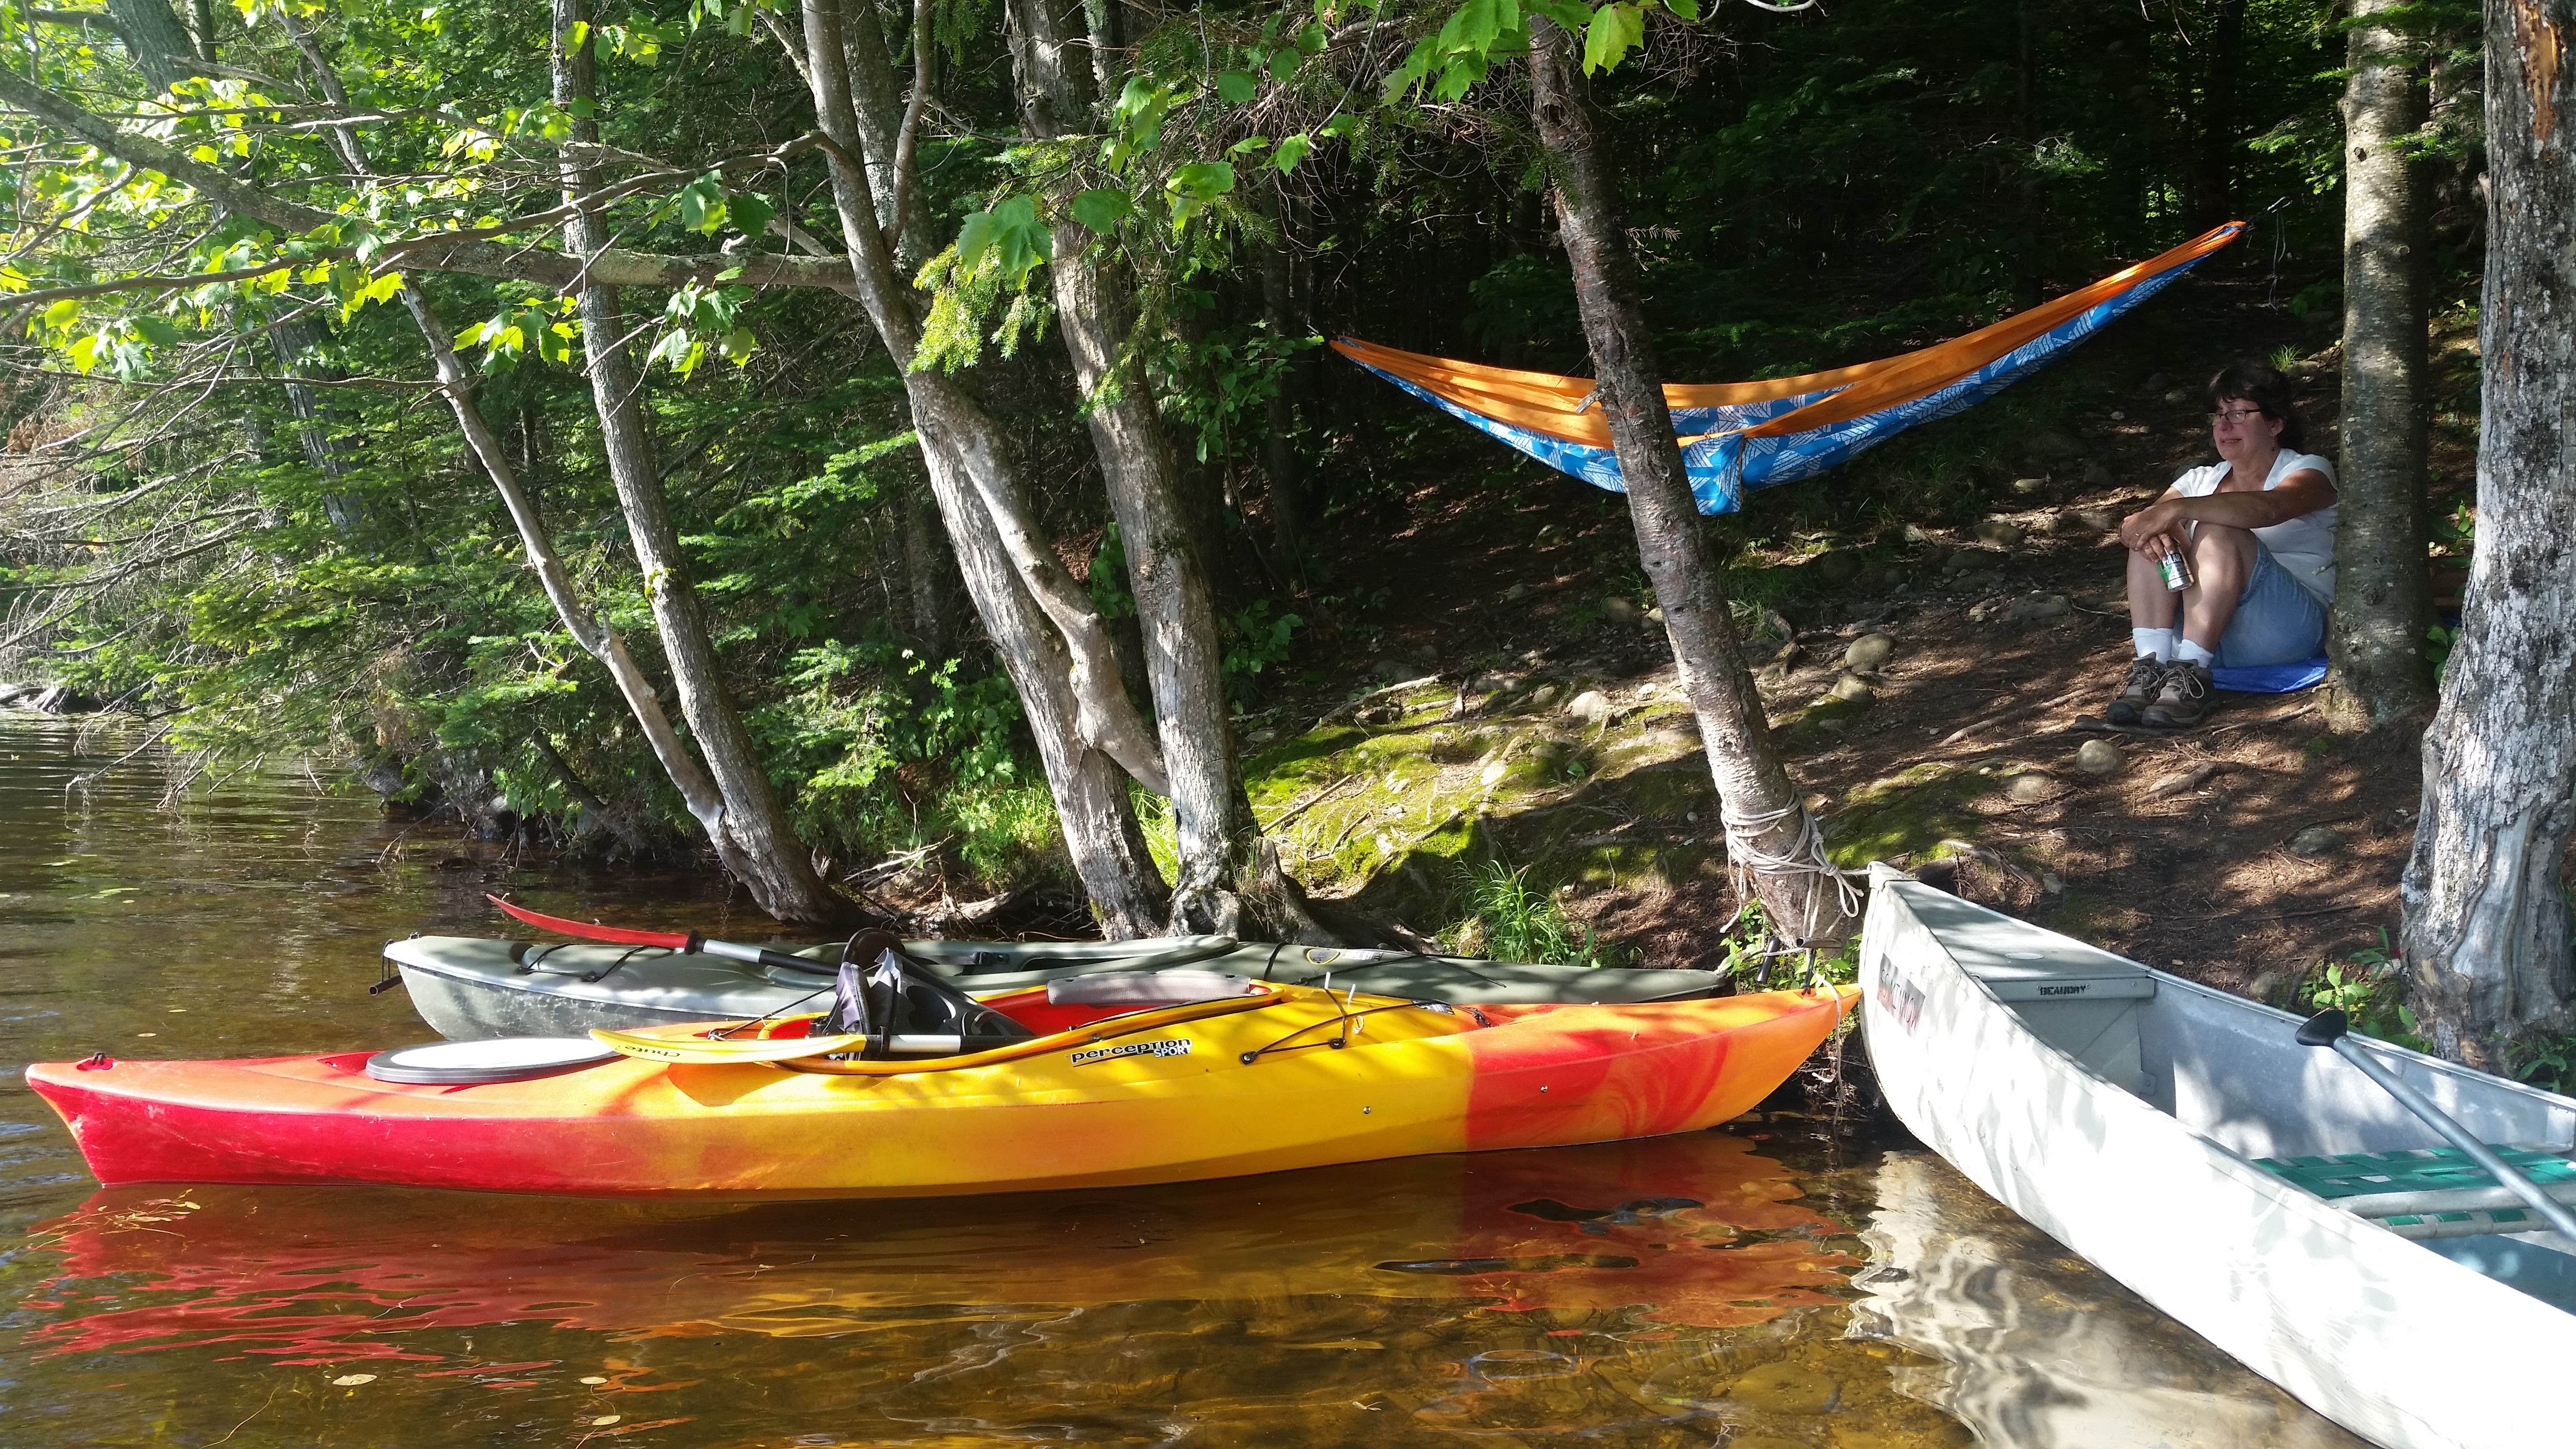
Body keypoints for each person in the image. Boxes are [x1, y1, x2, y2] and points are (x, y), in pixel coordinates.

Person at [2106, 362, 2338, 728]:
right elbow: (2136, 528)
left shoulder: (2309, 471)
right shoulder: (2200, 478)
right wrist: (2152, 526)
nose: (2223, 425)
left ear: (2276, 424)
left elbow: (2269, 507)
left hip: (2282, 629)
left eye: (2239, 414)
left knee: (2219, 528)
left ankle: (2192, 676)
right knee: (2151, 538)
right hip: (2207, 630)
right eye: (2217, 415)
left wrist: (2178, 510)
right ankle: (2152, 668)